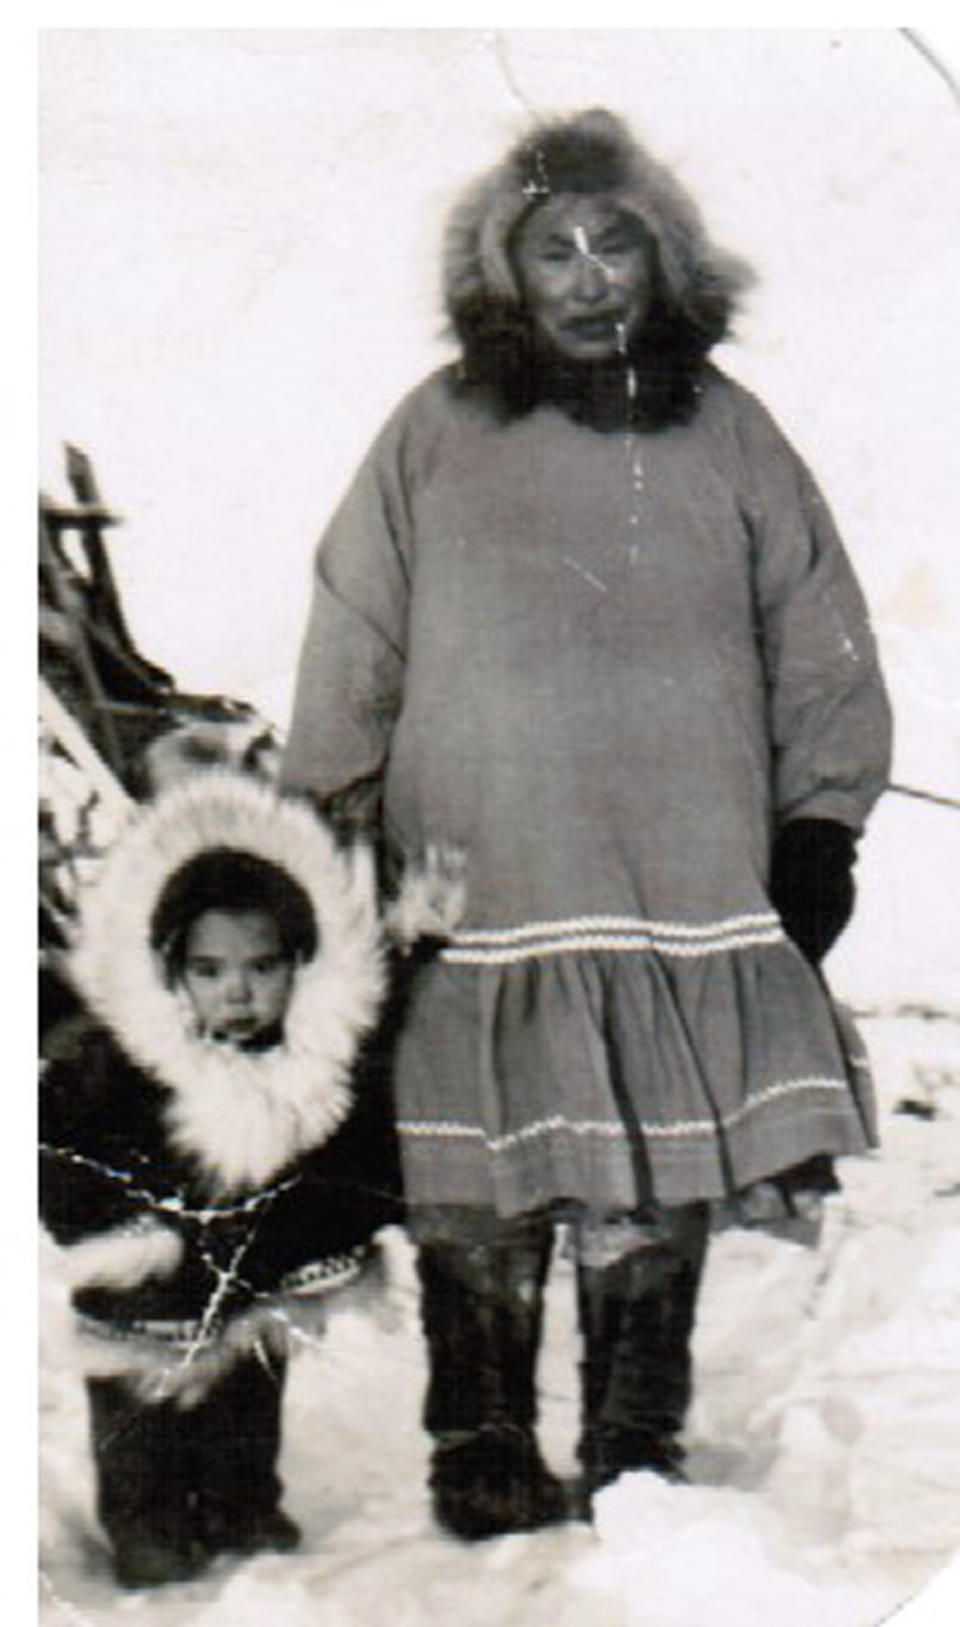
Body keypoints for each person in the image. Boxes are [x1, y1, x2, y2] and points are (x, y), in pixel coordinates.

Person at [280, 109, 893, 1540]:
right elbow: (352, 631)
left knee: (653, 1159)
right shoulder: (435, 428)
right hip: (479, 867)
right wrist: (334, 820)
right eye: (550, 248)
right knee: (479, 1171)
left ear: (663, 255)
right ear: (504, 272)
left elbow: (824, 635)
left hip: (685, 868)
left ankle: (633, 1438)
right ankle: (480, 1441)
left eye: (614, 241)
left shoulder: (729, 427)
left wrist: (822, 822)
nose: (586, 274)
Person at [39, 770, 401, 1588]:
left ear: (299, 964)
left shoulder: (308, 1071)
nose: (237, 992)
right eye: (210, 971)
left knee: (248, 1400)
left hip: (249, 1286)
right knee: (141, 1420)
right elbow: (61, 1155)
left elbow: (350, 1170)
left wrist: (307, 1244)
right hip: (146, 1296)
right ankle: (146, 1522)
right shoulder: (117, 1061)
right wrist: (128, 1231)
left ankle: (243, 1501)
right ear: (173, 973)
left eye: (262, 967)